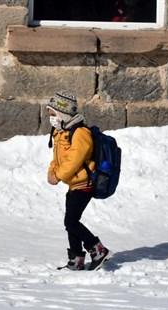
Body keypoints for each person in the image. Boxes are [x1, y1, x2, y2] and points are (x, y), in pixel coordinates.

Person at [47, 91, 110, 271]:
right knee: (70, 222)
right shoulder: (62, 133)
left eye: (52, 114)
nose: (50, 118)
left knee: (71, 222)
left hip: (84, 184)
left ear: (62, 114)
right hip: (74, 185)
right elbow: (57, 158)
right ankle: (76, 258)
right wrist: (51, 172)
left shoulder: (81, 133)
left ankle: (98, 249)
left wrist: (58, 175)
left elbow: (74, 160)